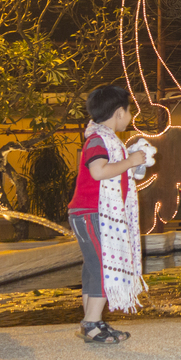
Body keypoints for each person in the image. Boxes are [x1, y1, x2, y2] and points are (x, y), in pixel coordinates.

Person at [67, 85, 147, 344]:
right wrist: (130, 161)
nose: (130, 117)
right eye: (129, 111)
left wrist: (132, 163)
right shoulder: (98, 140)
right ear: (119, 112)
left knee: (94, 269)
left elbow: (110, 171)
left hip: (91, 213)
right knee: (104, 267)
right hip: (91, 213)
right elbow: (99, 171)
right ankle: (91, 323)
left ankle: (93, 322)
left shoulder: (105, 140)